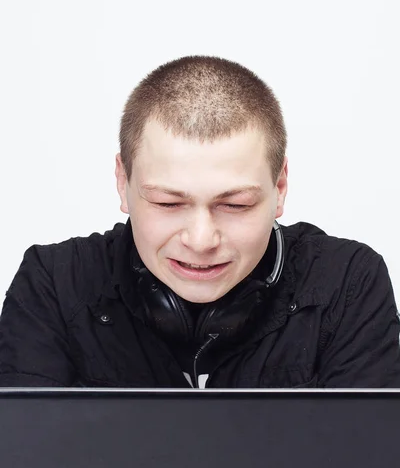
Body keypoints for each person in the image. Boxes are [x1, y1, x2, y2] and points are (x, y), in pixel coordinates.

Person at [0, 56, 399, 388]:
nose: (201, 240)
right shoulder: (53, 283)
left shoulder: (348, 283)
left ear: (280, 186)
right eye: (168, 203)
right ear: (123, 183)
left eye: (235, 205)